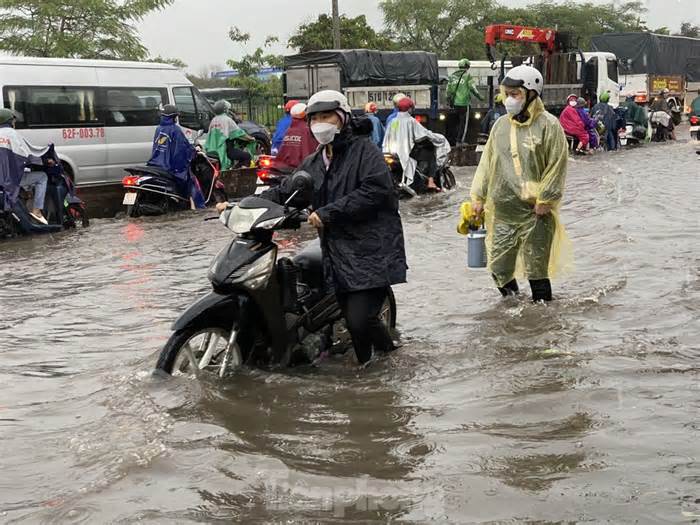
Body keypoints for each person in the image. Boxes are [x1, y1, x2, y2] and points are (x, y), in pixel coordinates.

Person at [259, 90, 407, 367]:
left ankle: (376, 371)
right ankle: (381, 356)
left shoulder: (365, 151)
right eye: (314, 118)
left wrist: (327, 213)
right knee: (353, 318)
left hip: (372, 249)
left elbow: (376, 191)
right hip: (336, 251)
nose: (319, 124)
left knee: (359, 320)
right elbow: (288, 189)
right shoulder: (314, 161)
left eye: (326, 116)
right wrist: (245, 204)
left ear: (342, 118)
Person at [470, 65, 571, 302]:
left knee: (536, 269)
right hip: (504, 211)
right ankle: (514, 306)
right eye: (507, 93)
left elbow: (557, 164)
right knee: (498, 267)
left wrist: (546, 200)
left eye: (515, 94)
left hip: (535, 212)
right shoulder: (500, 126)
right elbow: (487, 163)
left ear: (531, 95)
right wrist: (478, 197)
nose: (509, 99)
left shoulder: (549, 125)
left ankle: (540, 319)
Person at [147, 104, 205, 208]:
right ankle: (198, 208)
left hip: (156, 165)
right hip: (170, 167)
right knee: (192, 181)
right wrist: (194, 151)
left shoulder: (159, 129)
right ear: (174, 117)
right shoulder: (175, 130)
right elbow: (182, 149)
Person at [0, 108, 50, 224]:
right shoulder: (12, 134)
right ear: (9, 121)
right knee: (42, 177)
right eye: (13, 120)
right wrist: (44, 157)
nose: (14, 123)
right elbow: (26, 154)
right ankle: (36, 210)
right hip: (9, 179)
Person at [383, 97, 442, 191]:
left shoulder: (394, 122)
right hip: (408, 153)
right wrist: (438, 138)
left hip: (392, 153)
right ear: (410, 108)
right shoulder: (411, 121)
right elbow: (423, 134)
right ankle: (431, 181)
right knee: (431, 154)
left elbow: (391, 134)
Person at [205, 100, 254, 170]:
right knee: (247, 156)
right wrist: (251, 138)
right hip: (225, 151)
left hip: (212, 150)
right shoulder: (227, 120)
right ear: (225, 110)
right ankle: (236, 173)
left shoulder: (213, 120)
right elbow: (239, 134)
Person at [447, 59, 484, 144]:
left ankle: (455, 140)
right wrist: (480, 97)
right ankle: (460, 141)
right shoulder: (467, 76)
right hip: (464, 103)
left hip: (455, 104)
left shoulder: (452, 76)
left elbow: (448, 90)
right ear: (467, 67)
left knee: (456, 122)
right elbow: (472, 88)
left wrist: (448, 100)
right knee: (464, 123)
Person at [274, 103, 319, 170]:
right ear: (306, 116)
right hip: (303, 169)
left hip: (284, 167)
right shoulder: (307, 130)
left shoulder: (289, 130)